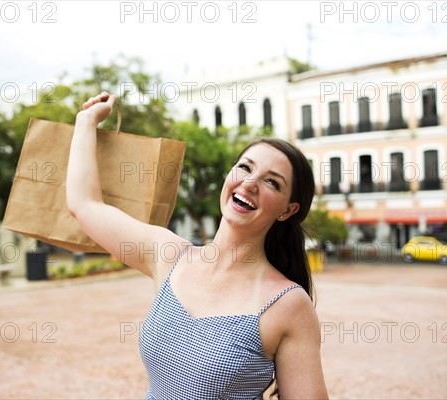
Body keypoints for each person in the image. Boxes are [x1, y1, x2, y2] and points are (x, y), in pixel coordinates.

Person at [66, 92, 329, 399]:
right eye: (245, 167)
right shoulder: (168, 256)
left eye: (272, 182)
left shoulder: (287, 305)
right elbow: (84, 205)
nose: (250, 183)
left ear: (287, 210)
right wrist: (86, 122)